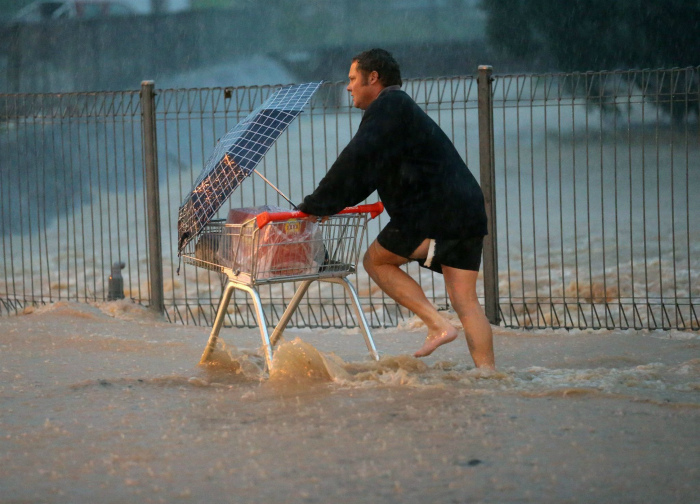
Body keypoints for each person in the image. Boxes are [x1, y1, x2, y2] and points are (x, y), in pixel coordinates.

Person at [298, 49, 495, 369]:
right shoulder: (400, 109)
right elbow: (368, 172)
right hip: (467, 209)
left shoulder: (387, 106)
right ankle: (489, 377)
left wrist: (315, 204)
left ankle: (436, 325)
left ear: (372, 78)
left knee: (375, 261)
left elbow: (355, 160)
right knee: (466, 302)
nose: (348, 87)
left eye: (352, 79)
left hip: (434, 212)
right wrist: (329, 204)